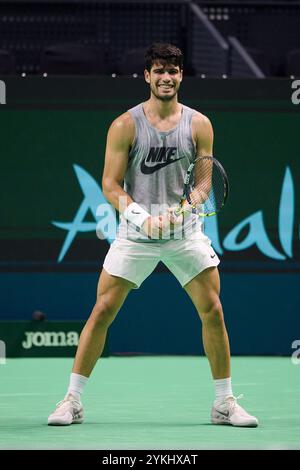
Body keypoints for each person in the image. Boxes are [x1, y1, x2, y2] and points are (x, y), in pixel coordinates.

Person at [48, 43, 258, 427]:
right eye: (159, 70)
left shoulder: (199, 124)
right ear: (147, 76)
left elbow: (204, 181)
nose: (167, 77)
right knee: (103, 311)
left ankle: (224, 403)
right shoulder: (125, 125)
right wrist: (143, 219)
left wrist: (184, 209)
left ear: (181, 76)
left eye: (174, 70)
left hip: (185, 232)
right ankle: (72, 401)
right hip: (136, 232)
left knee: (212, 309)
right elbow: (110, 185)